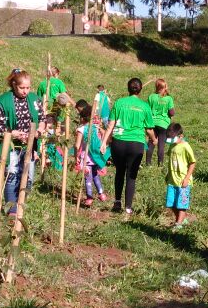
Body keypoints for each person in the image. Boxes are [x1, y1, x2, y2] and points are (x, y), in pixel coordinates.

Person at [0, 69, 47, 215]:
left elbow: (42, 118)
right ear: (14, 85)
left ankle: (20, 204)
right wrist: (13, 133)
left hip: (30, 145)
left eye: (28, 88)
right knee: (12, 175)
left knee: (28, 177)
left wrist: (39, 130)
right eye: (22, 88)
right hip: (11, 145)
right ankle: (12, 210)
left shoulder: (34, 100)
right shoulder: (3, 101)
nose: (25, 91)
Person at [100, 77, 156, 215]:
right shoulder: (145, 106)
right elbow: (149, 129)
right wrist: (154, 139)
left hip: (118, 143)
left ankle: (117, 202)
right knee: (131, 175)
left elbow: (110, 125)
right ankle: (128, 207)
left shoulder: (119, 102)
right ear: (140, 90)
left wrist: (104, 142)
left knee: (120, 171)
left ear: (128, 88)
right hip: (136, 144)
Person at [74, 102, 109, 207]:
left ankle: (89, 198)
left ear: (82, 118)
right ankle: (101, 194)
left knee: (87, 177)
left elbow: (77, 145)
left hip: (87, 157)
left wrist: (76, 156)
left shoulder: (81, 129)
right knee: (95, 175)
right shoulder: (95, 127)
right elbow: (103, 133)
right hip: (96, 157)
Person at [164, 122, 196, 229]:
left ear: (181, 136)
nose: (170, 141)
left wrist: (187, 178)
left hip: (183, 181)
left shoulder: (186, 146)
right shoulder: (172, 146)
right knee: (171, 203)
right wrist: (168, 174)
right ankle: (182, 219)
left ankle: (178, 224)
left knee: (182, 204)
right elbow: (171, 161)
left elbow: (192, 163)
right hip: (172, 180)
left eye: (172, 138)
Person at [146, 78, 175, 166]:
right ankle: (160, 164)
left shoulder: (151, 97)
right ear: (165, 87)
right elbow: (172, 113)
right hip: (163, 124)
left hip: (152, 123)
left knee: (151, 143)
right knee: (161, 145)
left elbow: (147, 110)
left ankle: (148, 163)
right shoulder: (168, 98)